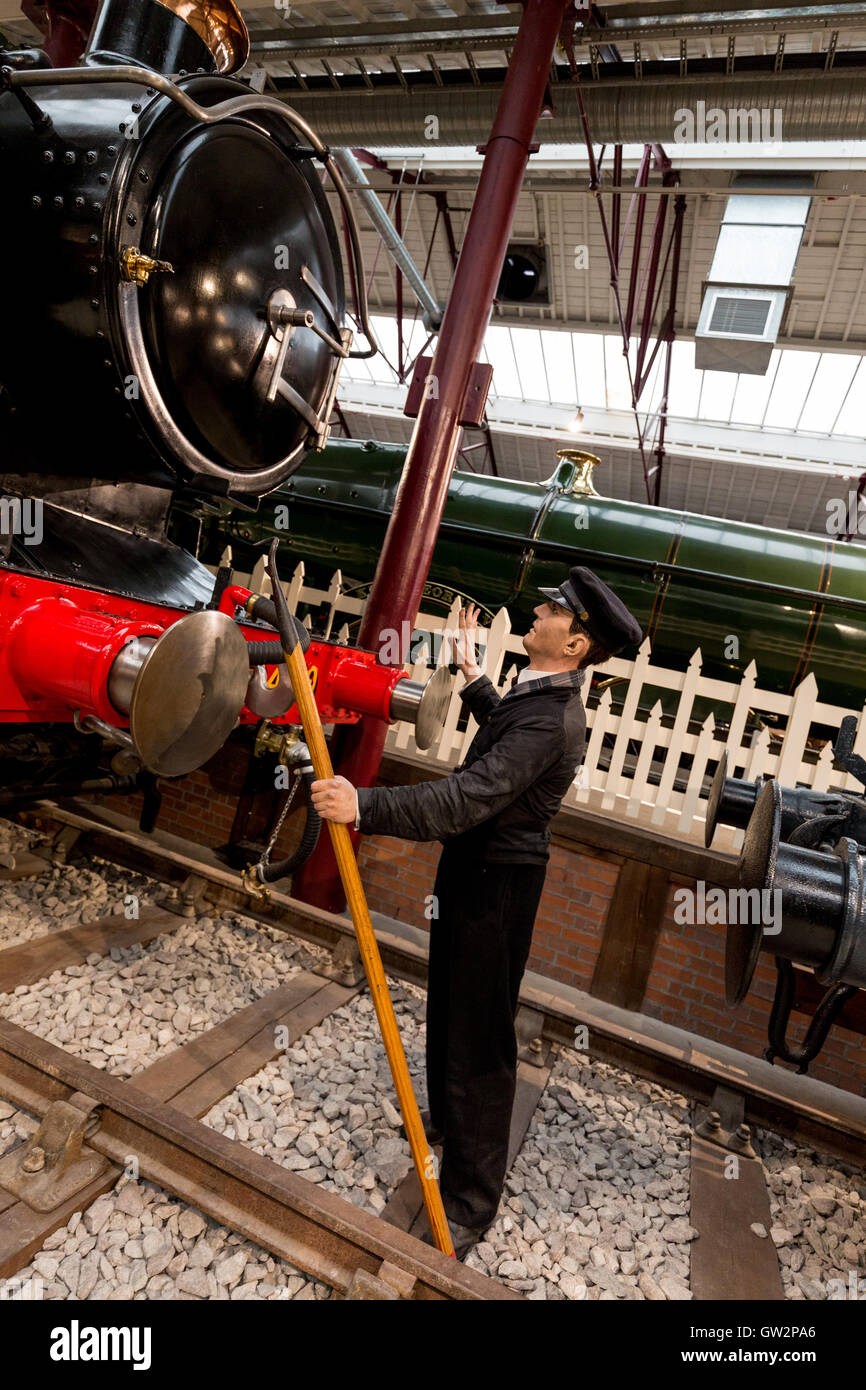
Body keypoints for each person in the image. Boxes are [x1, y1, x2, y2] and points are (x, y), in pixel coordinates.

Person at [311, 566, 642, 1258]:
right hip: (476, 872)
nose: (538, 611)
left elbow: (465, 798)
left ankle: (469, 1200)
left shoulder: (555, 720)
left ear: (575, 643)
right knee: (451, 1006)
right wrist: (471, 675)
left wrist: (363, 805)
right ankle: (448, 1125)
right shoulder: (541, 699)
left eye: (552, 609)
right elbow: (504, 731)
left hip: (497, 888)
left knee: (481, 1039)